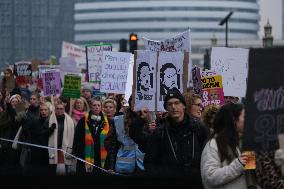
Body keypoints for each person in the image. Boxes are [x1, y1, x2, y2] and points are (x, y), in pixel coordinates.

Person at [144, 88, 209, 186]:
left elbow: (208, 156)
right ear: (166, 108)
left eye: (177, 103)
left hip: (195, 183)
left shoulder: (199, 128)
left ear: (183, 105)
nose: (174, 107)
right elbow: (149, 163)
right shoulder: (159, 132)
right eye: (169, 104)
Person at [200, 103, 248, 189]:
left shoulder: (244, 142)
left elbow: (252, 177)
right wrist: (238, 165)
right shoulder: (213, 145)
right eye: (244, 116)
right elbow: (210, 177)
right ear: (234, 120)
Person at [72, 97, 118, 175]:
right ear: (90, 107)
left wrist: (110, 163)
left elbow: (111, 143)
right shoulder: (83, 121)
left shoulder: (108, 122)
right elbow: (77, 140)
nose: (96, 107)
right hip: (85, 158)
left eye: (98, 105)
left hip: (101, 159)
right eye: (94, 105)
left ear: (101, 107)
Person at [48, 102, 75, 175]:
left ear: (64, 110)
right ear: (55, 109)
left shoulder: (70, 121)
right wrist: (50, 129)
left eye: (61, 109)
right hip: (53, 148)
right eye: (57, 108)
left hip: (64, 149)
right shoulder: (50, 119)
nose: (59, 110)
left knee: (64, 171)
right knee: (52, 170)